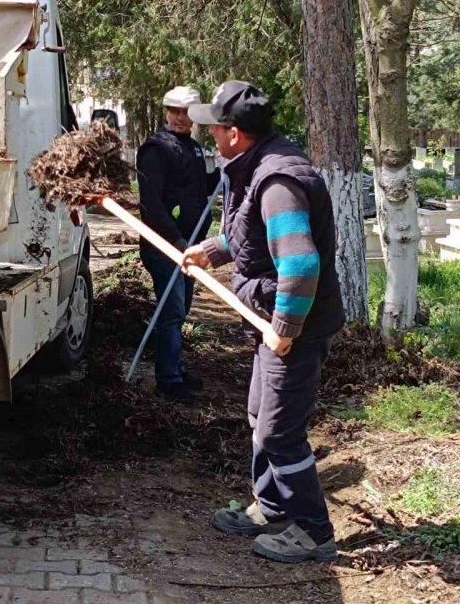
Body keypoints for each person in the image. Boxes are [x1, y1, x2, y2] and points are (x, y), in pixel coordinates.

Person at [182, 80, 345, 563]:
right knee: (260, 414)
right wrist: (213, 251)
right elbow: (250, 235)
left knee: (278, 431)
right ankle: (272, 507)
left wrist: (285, 331)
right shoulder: (256, 168)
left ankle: (314, 532)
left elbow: (299, 264)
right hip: (272, 318)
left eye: (213, 126)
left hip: (295, 327)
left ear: (233, 133)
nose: (209, 133)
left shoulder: (277, 182)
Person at [136, 86, 220, 403]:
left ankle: (174, 367)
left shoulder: (195, 149)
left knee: (181, 308)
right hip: (165, 245)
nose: (178, 117)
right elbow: (151, 204)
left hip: (191, 247)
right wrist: (175, 237)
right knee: (172, 310)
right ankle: (168, 378)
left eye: (185, 112)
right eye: (173, 110)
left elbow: (201, 188)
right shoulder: (155, 150)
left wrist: (222, 170)